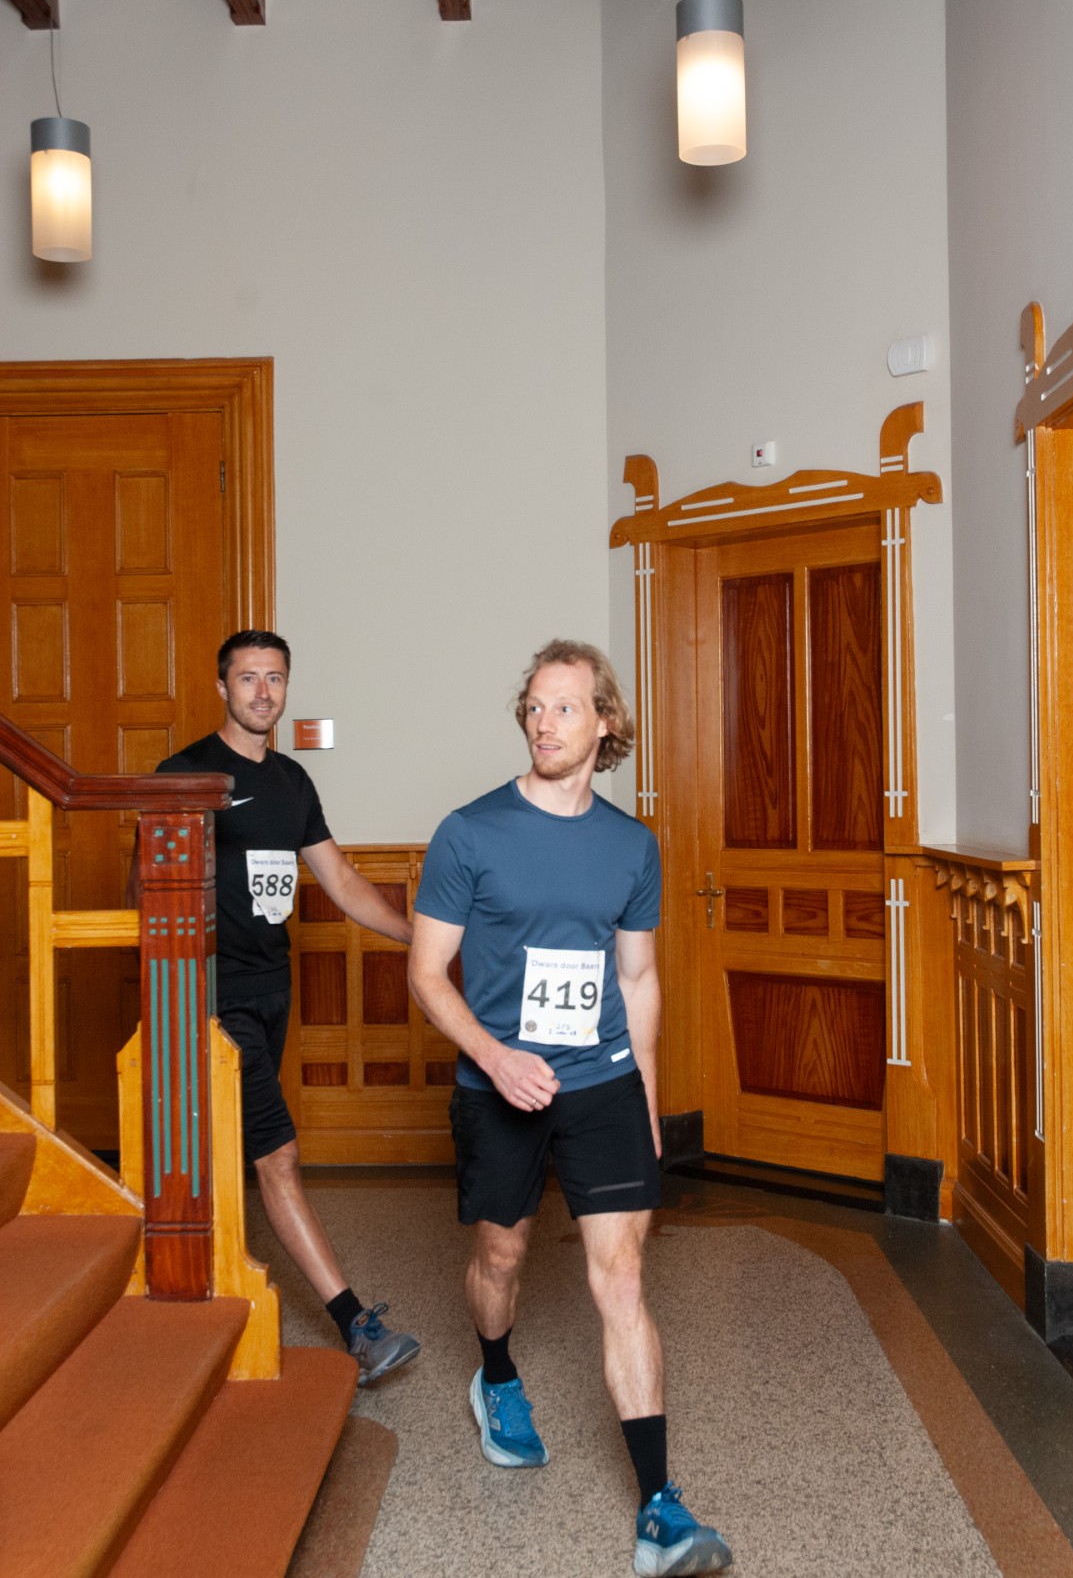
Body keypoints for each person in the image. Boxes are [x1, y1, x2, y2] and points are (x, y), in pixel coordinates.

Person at [408, 639, 732, 1577]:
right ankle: (497, 1375)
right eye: (534, 706)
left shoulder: (633, 846)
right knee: (501, 1256)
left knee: (621, 1278)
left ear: (605, 722)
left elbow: (638, 978)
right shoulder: (469, 832)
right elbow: (426, 973)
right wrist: (496, 1056)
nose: (543, 722)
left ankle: (660, 1506)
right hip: (498, 1084)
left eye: (563, 706)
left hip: (602, 1082)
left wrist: (648, 1098)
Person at [151, 630, 420, 1387]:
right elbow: (147, 885)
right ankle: (356, 1324)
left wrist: (418, 937)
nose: (263, 692)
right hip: (213, 994)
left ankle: (196, 1289)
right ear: (222, 686)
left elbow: (342, 880)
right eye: (248, 678)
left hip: (274, 988)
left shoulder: (293, 782)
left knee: (230, 1144)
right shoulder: (185, 775)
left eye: (275, 678)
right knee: (278, 1155)